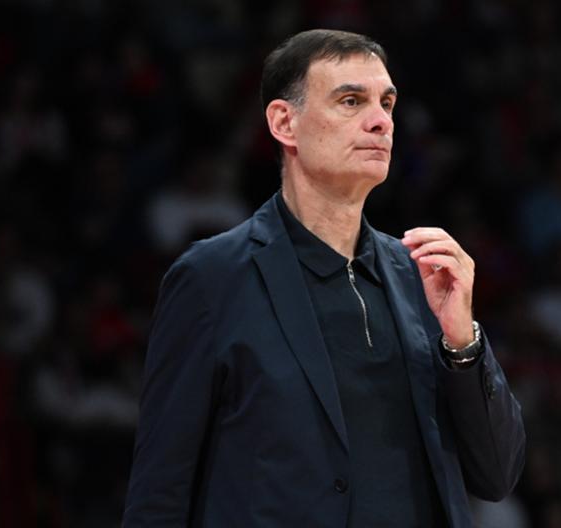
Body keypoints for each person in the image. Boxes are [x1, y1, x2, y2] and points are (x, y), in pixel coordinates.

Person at [122, 29, 525, 527]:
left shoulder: (423, 276)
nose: (380, 121)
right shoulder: (211, 279)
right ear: (284, 122)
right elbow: (160, 494)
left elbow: (496, 475)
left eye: (386, 103)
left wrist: (463, 343)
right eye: (351, 101)